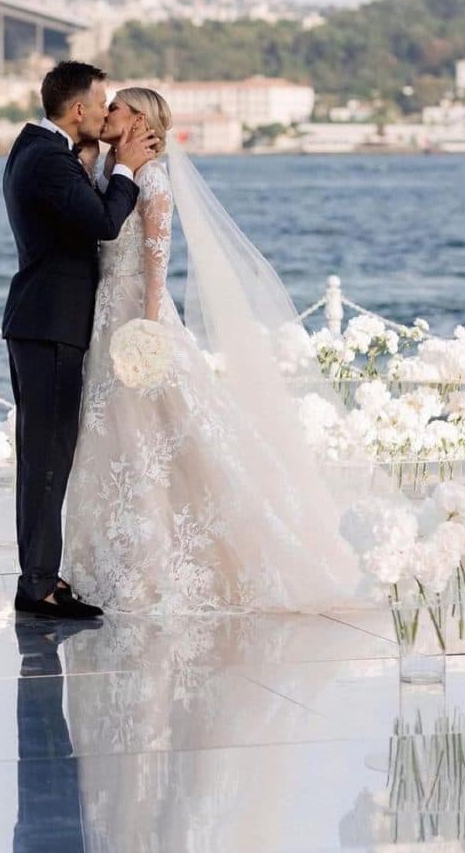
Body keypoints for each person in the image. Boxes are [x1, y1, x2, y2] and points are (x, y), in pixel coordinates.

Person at [63, 87, 366, 614]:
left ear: (138, 121)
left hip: (136, 309)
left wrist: (149, 327)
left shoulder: (152, 177)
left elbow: (157, 255)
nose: (105, 112)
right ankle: (118, 552)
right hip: (103, 310)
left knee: (163, 427)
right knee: (117, 430)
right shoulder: (110, 167)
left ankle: (184, 551)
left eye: (115, 108)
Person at [2, 62, 158, 620]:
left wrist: (92, 165)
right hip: (50, 325)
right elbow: (103, 222)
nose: (104, 110)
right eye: (100, 102)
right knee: (47, 459)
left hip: (40, 321)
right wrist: (128, 169)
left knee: (42, 457)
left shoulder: (37, 148)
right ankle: (38, 586)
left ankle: (40, 574)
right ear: (77, 111)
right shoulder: (49, 159)